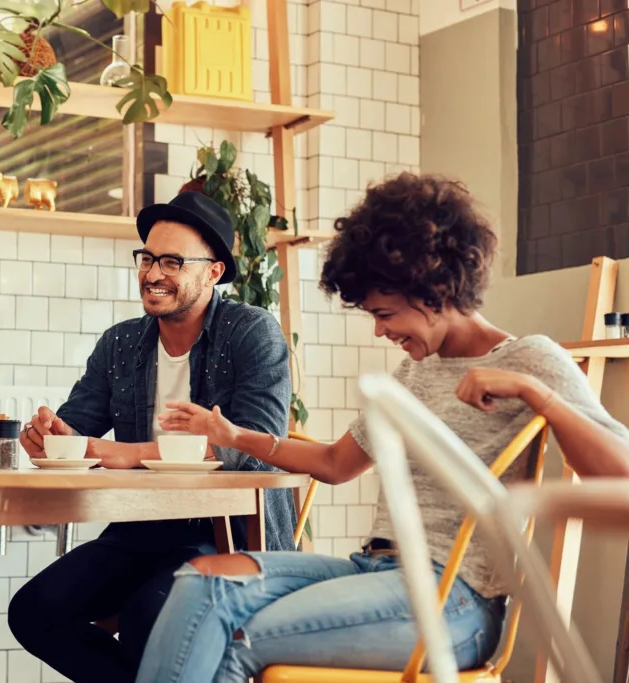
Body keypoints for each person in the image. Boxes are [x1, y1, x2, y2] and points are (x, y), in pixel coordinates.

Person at [134, 173, 629, 683]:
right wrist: (235, 437)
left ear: (436, 292)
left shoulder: (530, 359)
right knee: (200, 585)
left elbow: (620, 473)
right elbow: (334, 464)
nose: (380, 330)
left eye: (385, 314)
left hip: (455, 601)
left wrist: (538, 395)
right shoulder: (416, 369)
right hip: (375, 569)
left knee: (241, 634)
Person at [8, 191, 295, 683]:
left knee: (150, 617)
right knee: (34, 611)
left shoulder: (252, 332)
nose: (153, 273)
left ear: (213, 273)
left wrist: (127, 454)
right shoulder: (121, 342)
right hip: (138, 528)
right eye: (147, 258)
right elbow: (79, 425)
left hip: (225, 533)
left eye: (172, 261)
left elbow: (252, 443)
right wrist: (51, 437)